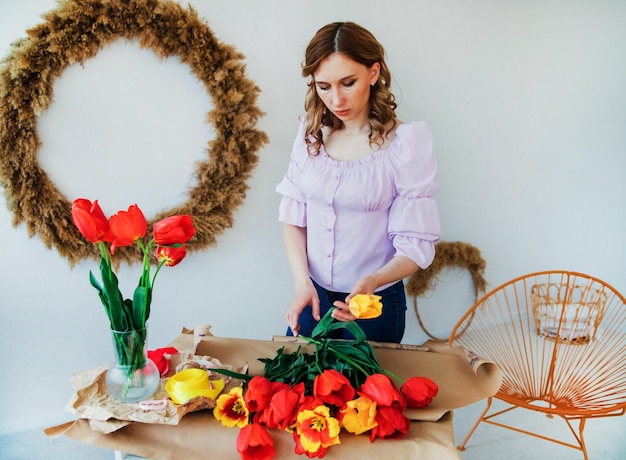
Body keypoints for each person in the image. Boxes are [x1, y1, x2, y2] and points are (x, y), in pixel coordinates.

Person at [275, 21, 440, 343]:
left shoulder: (406, 144)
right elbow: (294, 220)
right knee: (293, 390)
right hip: (312, 298)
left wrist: (374, 280)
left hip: (373, 303)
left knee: (365, 394)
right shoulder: (310, 137)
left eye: (347, 83)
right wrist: (301, 284)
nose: (336, 100)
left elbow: (415, 244)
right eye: (324, 86)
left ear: (373, 73)